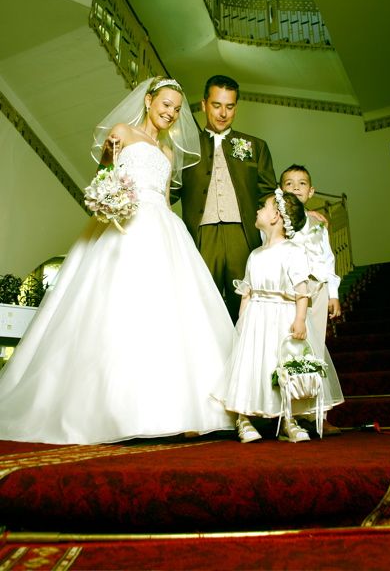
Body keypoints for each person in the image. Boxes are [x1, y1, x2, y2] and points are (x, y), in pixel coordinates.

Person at [0, 76, 236, 445]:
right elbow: (102, 177)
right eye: (166, 104)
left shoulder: (168, 152)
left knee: (169, 313)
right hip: (124, 224)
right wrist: (110, 166)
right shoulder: (122, 132)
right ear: (149, 101)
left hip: (162, 229)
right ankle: (108, 411)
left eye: (177, 109)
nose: (171, 113)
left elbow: (164, 195)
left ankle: (174, 410)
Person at [212, 190, 343, 443]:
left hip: (283, 316)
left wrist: (300, 319)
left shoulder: (293, 251)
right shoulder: (255, 255)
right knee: (251, 367)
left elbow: (301, 291)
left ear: (276, 217)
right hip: (256, 319)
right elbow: (247, 292)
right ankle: (244, 419)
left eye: (264, 207)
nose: (258, 210)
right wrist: (242, 321)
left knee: (281, 366)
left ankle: (288, 419)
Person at [171, 74, 277, 323]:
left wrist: (301, 210)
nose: (223, 113)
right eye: (216, 105)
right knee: (203, 307)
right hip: (201, 235)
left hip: (243, 234)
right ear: (203, 104)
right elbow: (169, 192)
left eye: (229, 106)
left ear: (236, 107)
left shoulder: (255, 146)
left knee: (246, 306)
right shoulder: (184, 148)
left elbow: (269, 193)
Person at [280, 164, 344, 436]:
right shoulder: (278, 220)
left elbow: (327, 258)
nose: (296, 188)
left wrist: (333, 293)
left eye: (302, 183)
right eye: (289, 183)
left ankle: (319, 413)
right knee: (292, 348)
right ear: (280, 190)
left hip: (318, 288)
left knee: (316, 350)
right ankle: (292, 413)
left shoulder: (318, 223)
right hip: (292, 291)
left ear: (312, 191)